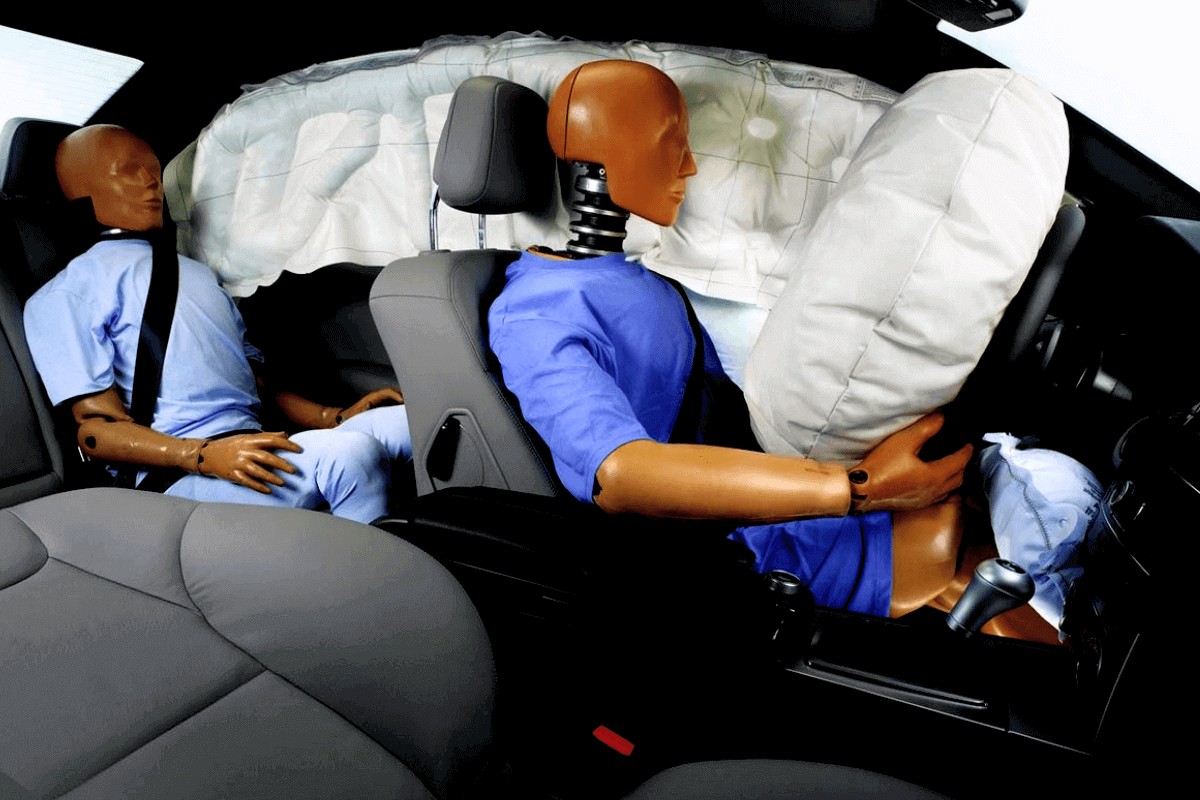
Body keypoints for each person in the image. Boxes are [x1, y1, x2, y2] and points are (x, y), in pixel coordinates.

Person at [489, 59, 1048, 633]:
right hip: (725, 550)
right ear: (597, 163)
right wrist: (859, 491)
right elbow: (620, 474)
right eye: (670, 145)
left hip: (769, 491)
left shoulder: (638, 278)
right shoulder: (535, 312)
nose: (689, 165)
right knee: (977, 559)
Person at [22, 123, 411, 525]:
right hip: (177, 474)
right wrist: (203, 456)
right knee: (349, 456)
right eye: (129, 171)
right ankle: (375, 562)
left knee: (412, 424)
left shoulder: (199, 275)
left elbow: (256, 385)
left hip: (251, 447)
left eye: (154, 170)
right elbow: (96, 431)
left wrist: (335, 417)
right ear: (81, 189)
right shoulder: (67, 294)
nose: (151, 182)